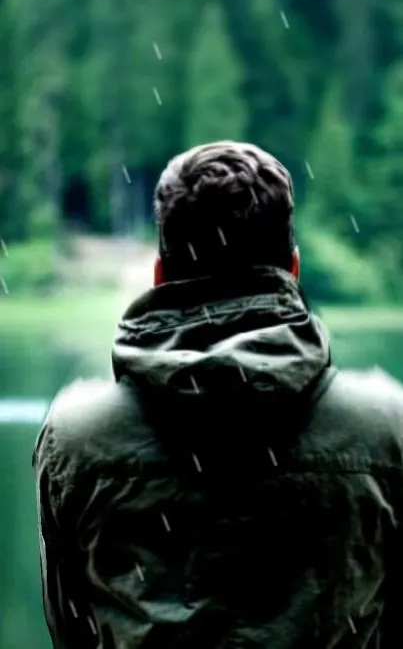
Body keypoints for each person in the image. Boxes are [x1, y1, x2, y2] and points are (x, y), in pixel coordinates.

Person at [33, 140, 403, 649]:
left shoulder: (77, 438)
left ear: (160, 275)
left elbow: (71, 629)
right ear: (292, 269)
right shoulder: (384, 426)